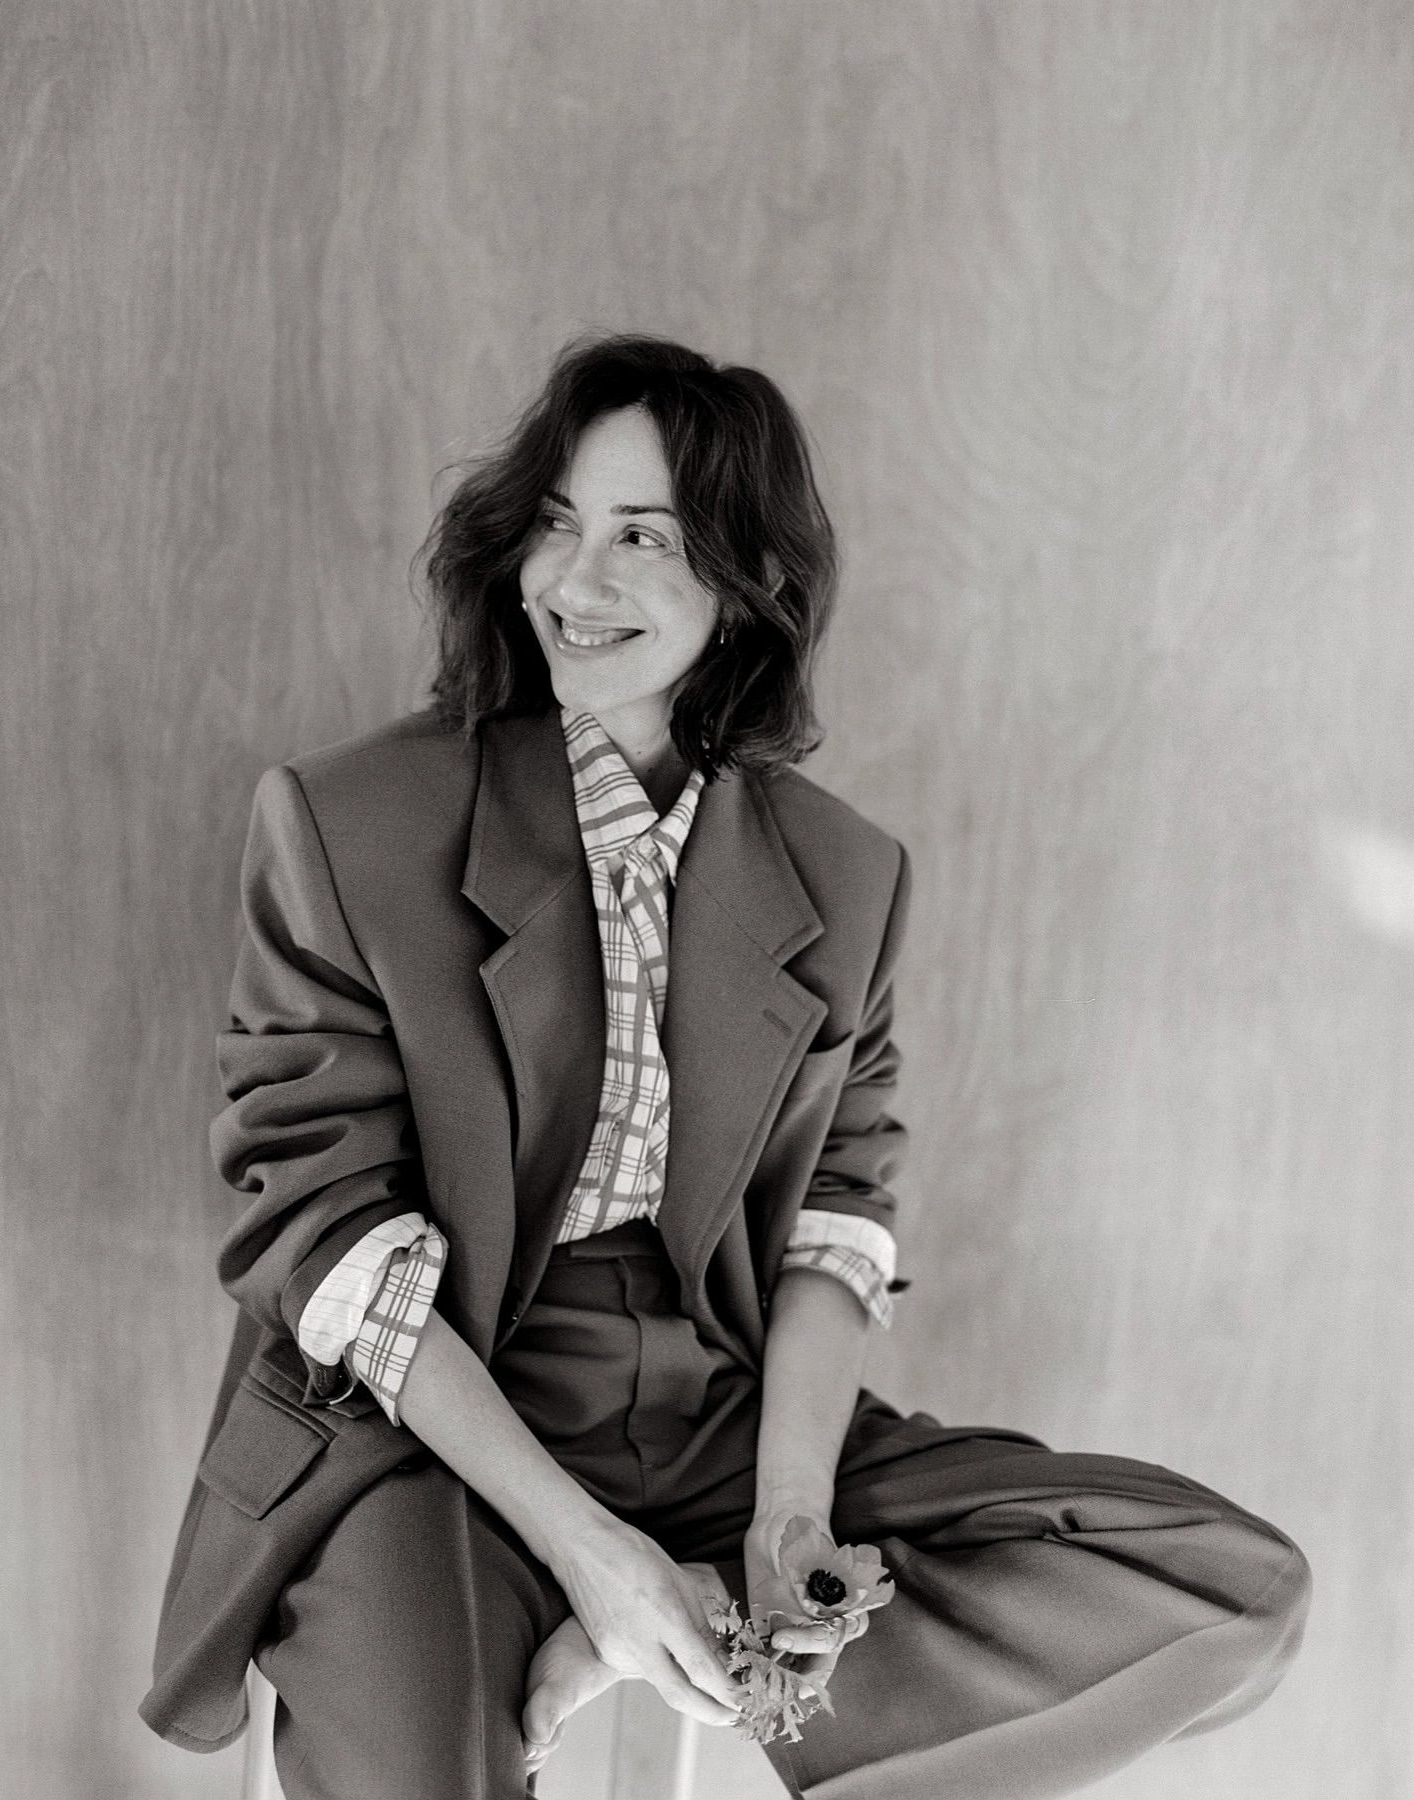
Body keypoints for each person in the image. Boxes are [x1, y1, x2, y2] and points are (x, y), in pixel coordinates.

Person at [142, 335, 1310, 1799]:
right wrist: (602, 1570)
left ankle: (729, 1646)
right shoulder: (347, 822)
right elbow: (317, 1240)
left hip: (720, 1417)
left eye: (646, 537)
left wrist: (785, 1526)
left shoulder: (844, 871)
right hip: (426, 1420)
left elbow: (838, 1219)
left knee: (1231, 1588)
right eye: (559, 524)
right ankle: (632, 1627)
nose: (579, 580)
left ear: (744, 586)